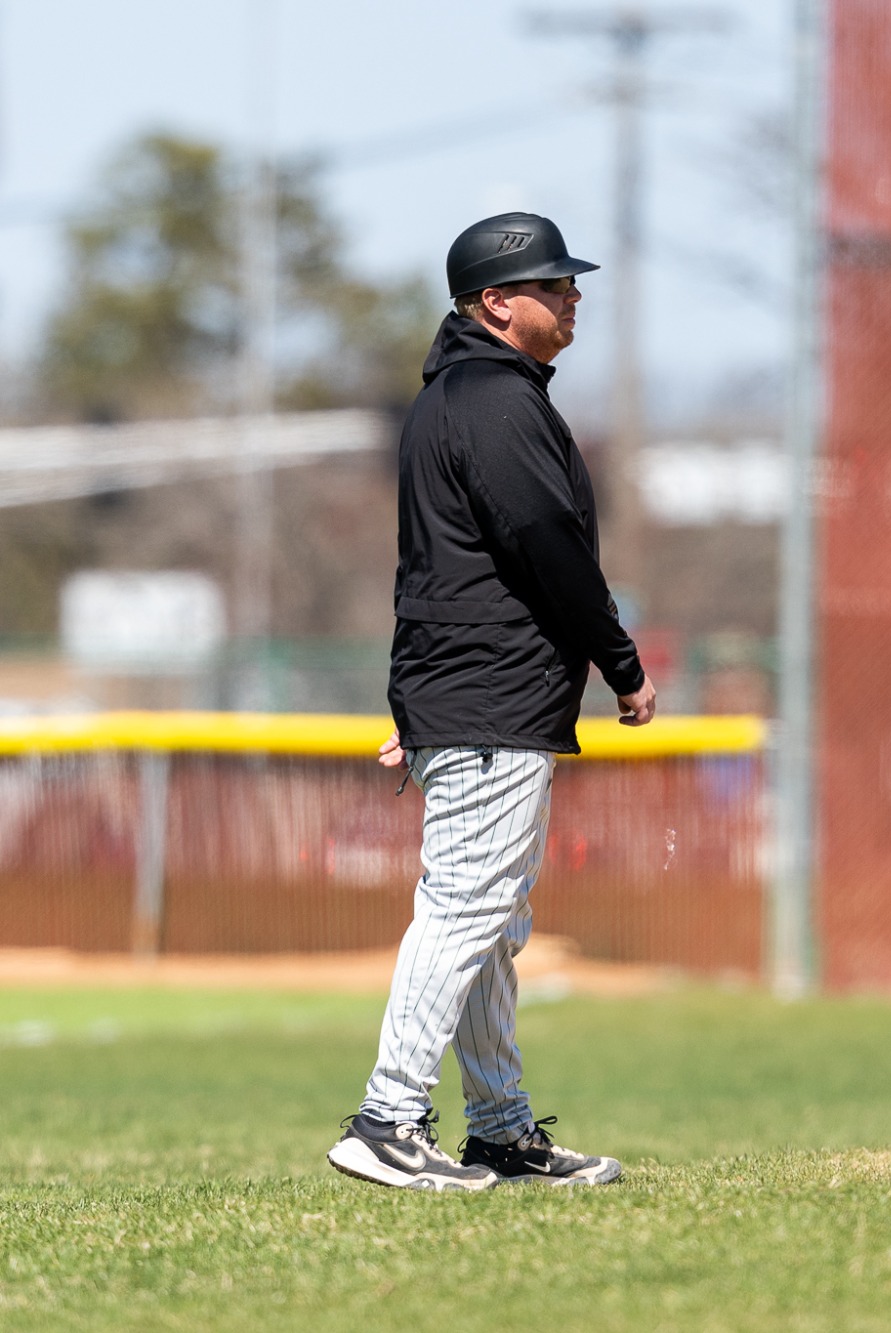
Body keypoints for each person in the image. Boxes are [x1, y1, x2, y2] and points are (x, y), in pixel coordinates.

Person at [327, 212, 656, 1192]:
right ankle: (387, 1118)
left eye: (568, 282)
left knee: (490, 922)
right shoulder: (492, 400)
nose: (571, 297)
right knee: (467, 912)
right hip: (490, 694)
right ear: (494, 301)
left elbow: (434, 570)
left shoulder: (457, 395)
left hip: (468, 691)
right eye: (552, 285)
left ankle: (502, 1129)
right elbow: (544, 544)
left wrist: (417, 700)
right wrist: (619, 660)